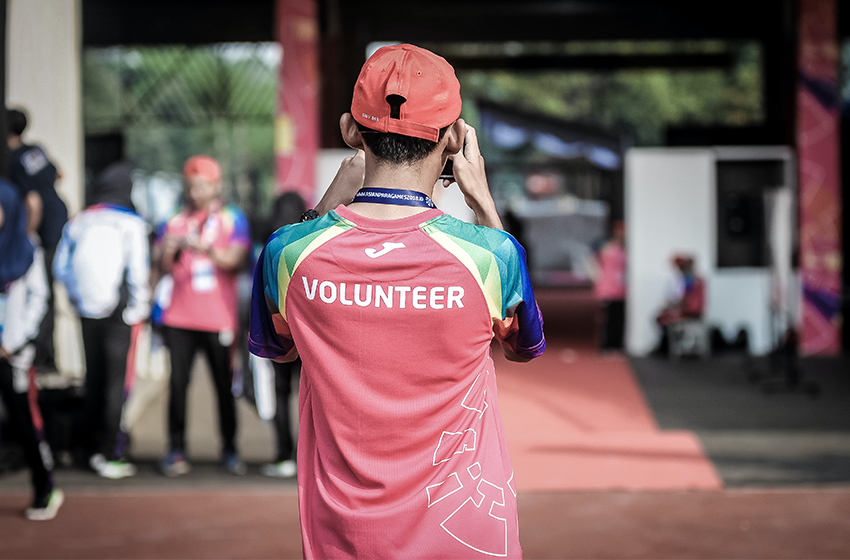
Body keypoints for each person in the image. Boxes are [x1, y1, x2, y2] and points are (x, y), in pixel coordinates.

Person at [250, 44, 545, 559]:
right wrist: (484, 205)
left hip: (345, 539)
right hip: (467, 535)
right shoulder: (491, 254)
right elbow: (523, 346)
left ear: (349, 131)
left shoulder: (288, 252)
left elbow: (281, 349)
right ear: (454, 139)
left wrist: (324, 209)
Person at [154, 156, 250, 476]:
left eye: (202, 185)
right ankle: (176, 449)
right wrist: (168, 248)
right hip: (178, 317)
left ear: (215, 185)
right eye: (191, 185)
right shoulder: (173, 220)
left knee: (224, 386)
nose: (195, 191)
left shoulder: (230, 219)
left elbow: (235, 259)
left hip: (218, 318)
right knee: (178, 386)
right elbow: (161, 265)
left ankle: (231, 449)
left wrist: (205, 247)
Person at [53, 162, 150, 479]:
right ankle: (110, 452)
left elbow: (60, 267)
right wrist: (138, 309)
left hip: (86, 313)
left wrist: (76, 299)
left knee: (92, 379)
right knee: (115, 384)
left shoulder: (80, 220)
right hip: (119, 315)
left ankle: (88, 449)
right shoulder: (131, 223)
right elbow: (138, 271)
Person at [0, 180, 63, 520]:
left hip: (14, 354)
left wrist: (12, 342)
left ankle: (44, 486)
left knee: (25, 422)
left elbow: (38, 299)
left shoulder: (27, 251)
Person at [6, 108, 69, 372]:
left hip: (43, 229)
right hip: (60, 219)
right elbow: (58, 174)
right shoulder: (35, 150)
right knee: (49, 292)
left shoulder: (11, 159)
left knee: (39, 292)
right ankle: (47, 354)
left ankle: (41, 355)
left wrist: (26, 237)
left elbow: (33, 202)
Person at [653, 253, 705, 355]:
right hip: (693, 310)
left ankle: (667, 347)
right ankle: (670, 345)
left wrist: (670, 306)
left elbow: (685, 300)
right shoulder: (697, 279)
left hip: (690, 312)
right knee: (663, 316)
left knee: (662, 317)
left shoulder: (690, 279)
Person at [594, 220, 626, 351]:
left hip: (620, 290)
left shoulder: (622, 250)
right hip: (608, 289)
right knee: (608, 319)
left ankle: (615, 344)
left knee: (617, 318)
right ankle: (606, 345)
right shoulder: (608, 249)